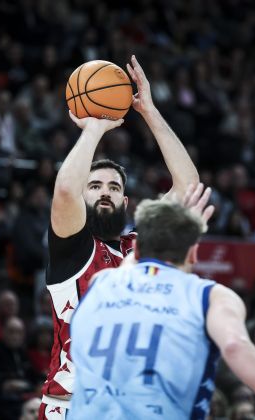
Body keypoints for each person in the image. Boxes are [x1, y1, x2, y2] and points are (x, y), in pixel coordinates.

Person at [39, 54, 201, 418]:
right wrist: (95, 128)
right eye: (94, 186)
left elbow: (188, 188)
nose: (106, 192)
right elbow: (65, 190)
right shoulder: (74, 248)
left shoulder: (139, 247)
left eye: (114, 187)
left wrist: (149, 113)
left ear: (126, 201)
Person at [68, 194, 255, 419]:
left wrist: (167, 228)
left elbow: (134, 261)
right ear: (193, 253)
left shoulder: (102, 281)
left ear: (138, 248)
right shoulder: (210, 295)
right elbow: (235, 346)